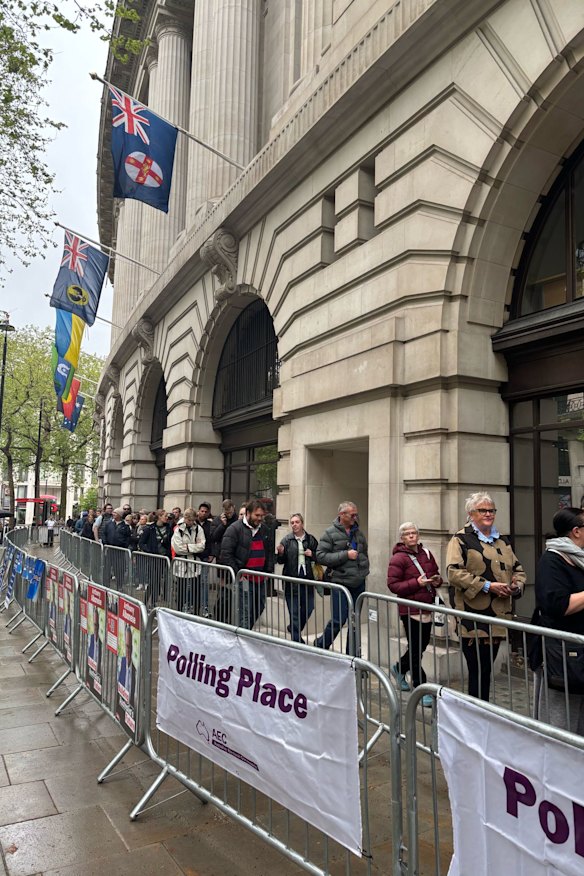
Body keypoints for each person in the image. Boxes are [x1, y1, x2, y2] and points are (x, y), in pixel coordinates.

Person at [446, 492, 525, 702]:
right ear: (471, 514)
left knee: (486, 671)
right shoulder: (460, 539)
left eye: (491, 510)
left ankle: (483, 711)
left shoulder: (502, 540)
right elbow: (453, 573)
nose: (488, 514)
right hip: (473, 619)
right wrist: (488, 586)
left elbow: (518, 570)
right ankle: (477, 713)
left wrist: (516, 586)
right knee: (477, 671)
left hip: (498, 617)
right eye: (483, 510)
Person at [534, 507, 584, 734]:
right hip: (563, 655)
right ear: (576, 531)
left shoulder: (580, 559)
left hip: (579, 650)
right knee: (561, 724)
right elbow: (557, 605)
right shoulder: (552, 560)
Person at [387, 522, 443, 707]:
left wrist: (436, 580)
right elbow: (393, 585)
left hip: (427, 607)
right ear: (402, 538)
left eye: (414, 533)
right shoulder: (399, 558)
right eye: (407, 534)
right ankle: (421, 686)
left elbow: (435, 573)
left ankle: (399, 668)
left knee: (420, 646)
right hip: (410, 609)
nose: (411, 536)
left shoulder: (426, 553)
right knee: (416, 648)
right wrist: (416, 583)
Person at [315, 501, 370, 653]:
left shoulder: (358, 533)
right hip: (340, 583)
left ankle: (351, 656)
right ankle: (320, 645)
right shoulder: (329, 533)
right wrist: (345, 555)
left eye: (356, 514)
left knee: (355, 620)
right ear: (341, 515)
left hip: (358, 582)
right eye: (352, 515)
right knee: (339, 619)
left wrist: (364, 568)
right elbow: (320, 556)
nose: (355, 517)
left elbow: (364, 551)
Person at [220, 499, 275, 629]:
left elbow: (269, 552)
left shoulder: (265, 530)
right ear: (248, 513)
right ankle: (243, 637)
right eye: (257, 515)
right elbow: (226, 554)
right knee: (244, 611)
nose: (260, 519)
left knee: (259, 606)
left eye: (262, 516)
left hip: (260, 579)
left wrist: (268, 571)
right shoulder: (234, 529)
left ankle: (246, 631)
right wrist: (239, 574)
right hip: (244, 579)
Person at [276, 513, 318, 644]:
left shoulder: (311, 540)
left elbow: (321, 556)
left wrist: (313, 555)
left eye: (297, 522)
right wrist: (281, 553)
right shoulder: (287, 540)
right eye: (292, 522)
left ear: (302, 524)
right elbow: (280, 561)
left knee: (309, 607)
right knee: (294, 612)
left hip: (307, 580)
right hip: (291, 581)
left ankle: (294, 628)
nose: (294, 525)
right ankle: (296, 640)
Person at [171, 507, 206, 612]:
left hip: (195, 564)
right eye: (189, 520)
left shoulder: (199, 529)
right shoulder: (178, 530)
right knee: (181, 591)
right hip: (182, 564)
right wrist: (193, 547)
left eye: (192, 520)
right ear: (185, 518)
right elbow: (178, 548)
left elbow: (202, 546)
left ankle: (195, 611)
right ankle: (180, 611)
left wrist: (187, 547)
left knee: (196, 591)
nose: (190, 522)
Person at [138, 509, 172, 604]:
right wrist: (149, 550)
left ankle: (152, 603)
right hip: (153, 558)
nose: (167, 518)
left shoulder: (169, 528)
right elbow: (141, 543)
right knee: (154, 581)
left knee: (158, 581)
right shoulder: (150, 528)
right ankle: (147, 603)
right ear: (159, 517)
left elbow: (170, 543)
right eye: (165, 516)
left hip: (164, 558)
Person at [103, 508, 131, 587]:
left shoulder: (125, 526)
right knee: (107, 569)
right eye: (113, 513)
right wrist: (106, 543)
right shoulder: (109, 524)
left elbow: (128, 537)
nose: (113, 514)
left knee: (119, 569)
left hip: (120, 550)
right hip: (110, 549)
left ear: (120, 515)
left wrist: (124, 545)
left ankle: (119, 586)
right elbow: (104, 534)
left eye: (115, 513)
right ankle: (106, 585)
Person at [196, 502, 214, 616]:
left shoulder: (210, 525)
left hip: (205, 557)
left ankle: (205, 607)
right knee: (192, 582)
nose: (203, 513)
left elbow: (212, 540)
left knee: (204, 582)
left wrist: (212, 554)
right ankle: (192, 605)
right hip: (193, 556)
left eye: (206, 511)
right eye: (202, 511)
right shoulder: (193, 523)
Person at [118, 623, 136, 710]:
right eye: (127, 647)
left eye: (130, 647)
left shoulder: (136, 670)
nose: (128, 651)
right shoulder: (121, 664)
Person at [87, 604, 102, 674]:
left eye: (97, 625)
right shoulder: (90, 640)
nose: (96, 628)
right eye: (94, 624)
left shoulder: (101, 642)